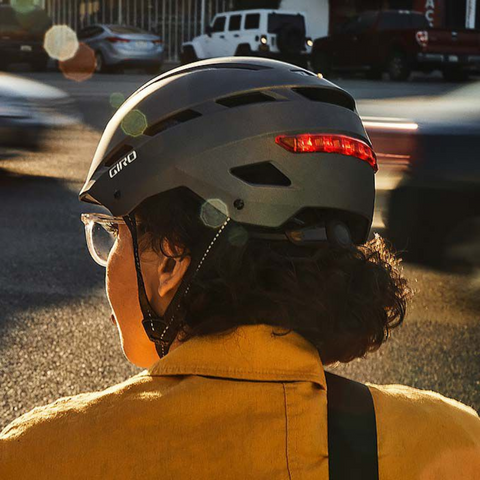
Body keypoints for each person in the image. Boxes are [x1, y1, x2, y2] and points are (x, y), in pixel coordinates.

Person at [1, 58, 479, 479]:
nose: (107, 261)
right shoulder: (454, 440)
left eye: (115, 234)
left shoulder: (35, 456)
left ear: (171, 258)